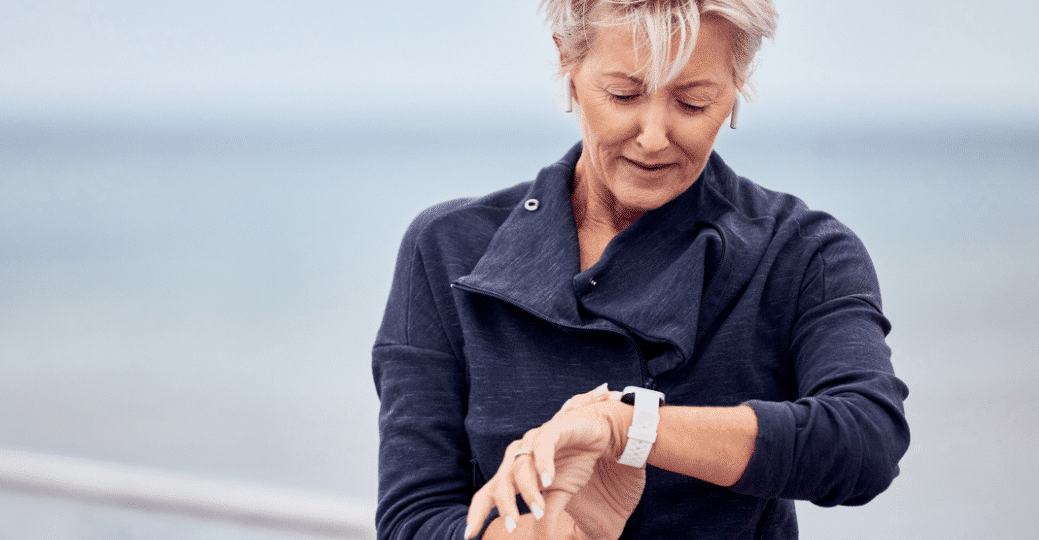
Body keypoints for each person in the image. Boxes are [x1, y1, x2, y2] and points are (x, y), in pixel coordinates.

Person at [371, 0, 910, 538]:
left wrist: (627, 427)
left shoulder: (801, 252)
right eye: (624, 95)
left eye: (693, 102)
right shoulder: (448, 247)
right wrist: (536, 534)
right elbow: (412, 517)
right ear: (569, 64)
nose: (654, 136)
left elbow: (866, 440)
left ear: (736, 81)